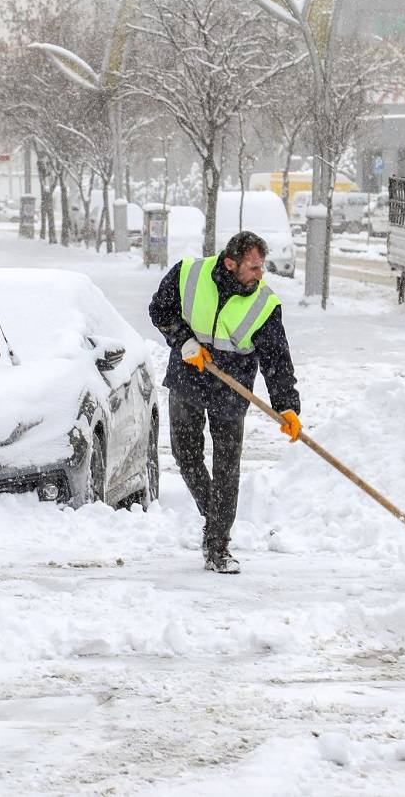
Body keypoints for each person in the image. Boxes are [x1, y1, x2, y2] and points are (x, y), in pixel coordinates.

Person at [148, 230, 301, 574]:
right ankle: (213, 514)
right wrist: (182, 340)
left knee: (227, 468)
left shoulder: (263, 302)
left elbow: (277, 359)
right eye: (253, 268)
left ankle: (218, 546)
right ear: (230, 264)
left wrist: (287, 405)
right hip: (188, 375)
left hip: (232, 389)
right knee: (185, 455)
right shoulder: (188, 273)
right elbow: (160, 309)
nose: (260, 275)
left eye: (262, 268)